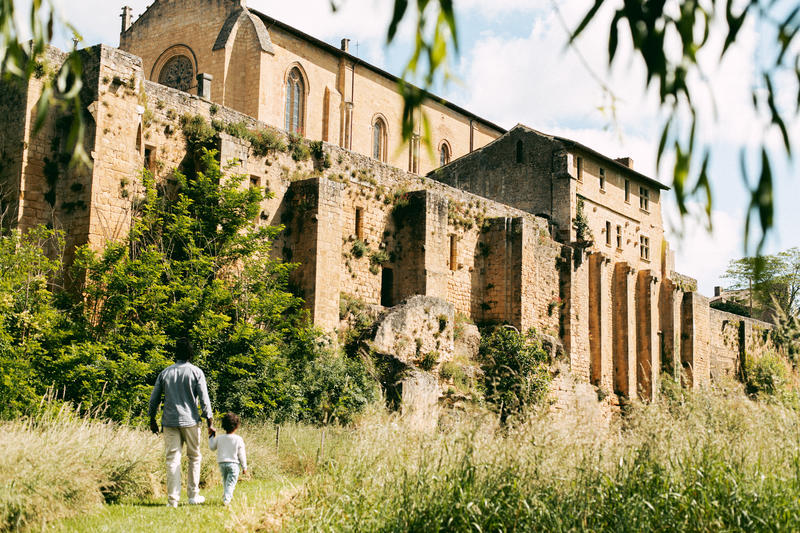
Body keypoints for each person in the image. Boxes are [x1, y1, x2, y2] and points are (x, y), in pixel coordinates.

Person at [148, 337, 215, 508]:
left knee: (172, 459)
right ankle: (193, 495)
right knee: (194, 457)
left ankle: (173, 500)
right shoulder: (196, 372)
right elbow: (204, 398)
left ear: (175, 353)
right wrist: (210, 421)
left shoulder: (165, 373)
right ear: (190, 353)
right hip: (191, 421)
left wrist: (152, 419)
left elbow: (154, 399)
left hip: (169, 421)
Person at [209, 412, 248, 506]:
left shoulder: (220, 438)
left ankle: (226, 495)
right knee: (231, 482)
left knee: (226, 481)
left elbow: (212, 447)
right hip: (233, 464)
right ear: (237, 426)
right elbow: (241, 454)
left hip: (222, 463)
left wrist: (211, 436)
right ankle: (227, 499)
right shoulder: (238, 439)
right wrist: (244, 467)